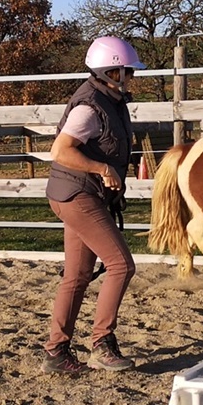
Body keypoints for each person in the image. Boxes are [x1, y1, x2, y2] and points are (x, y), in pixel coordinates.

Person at [41, 36, 146, 374]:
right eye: (126, 71)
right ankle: (101, 343)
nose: (131, 77)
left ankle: (57, 352)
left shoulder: (112, 100)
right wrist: (102, 169)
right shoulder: (89, 107)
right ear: (109, 71)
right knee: (121, 265)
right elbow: (61, 150)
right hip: (77, 195)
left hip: (79, 194)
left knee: (78, 275)